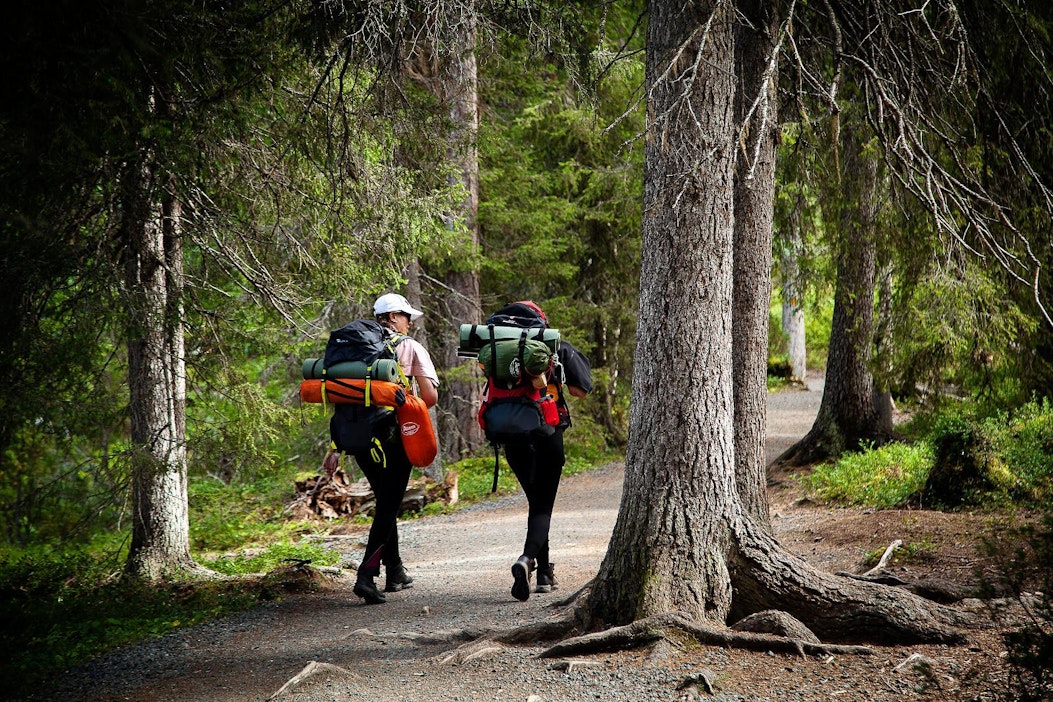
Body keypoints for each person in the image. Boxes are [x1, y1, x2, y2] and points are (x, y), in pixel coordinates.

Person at [349, 292, 439, 605]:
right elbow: (429, 397)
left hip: (360, 438)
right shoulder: (409, 347)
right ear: (391, 318)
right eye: (405, 316)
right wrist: (407, 410)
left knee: (388, 501)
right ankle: (366, 574)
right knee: (388, 505)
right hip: (393, 437)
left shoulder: (356, 350)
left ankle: (395, 571)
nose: (410, 322)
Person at [499, 305, 592, 602]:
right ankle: (527, 560)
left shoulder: (498, 349)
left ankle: (543, 572)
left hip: (510, 433)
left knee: (536, 501)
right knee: (542, 505)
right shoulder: (557, 346)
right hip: (547, 431)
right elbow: (581, 391)